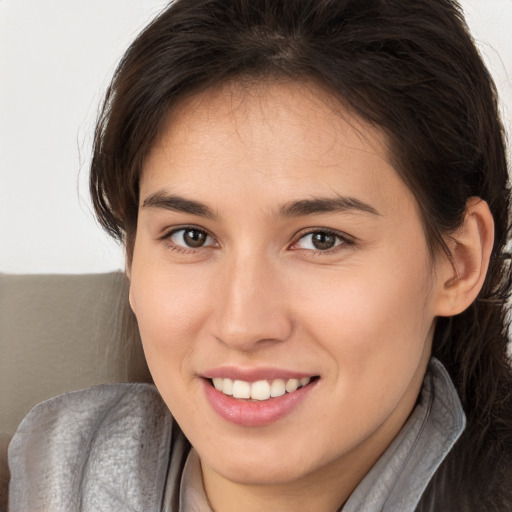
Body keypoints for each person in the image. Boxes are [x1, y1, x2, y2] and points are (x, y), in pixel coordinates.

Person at [8, 0, 512, 510]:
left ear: (458, 261)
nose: (242, 324)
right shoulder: (49, 472)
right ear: (132, 259)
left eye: (321, 239)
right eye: (191, 236)